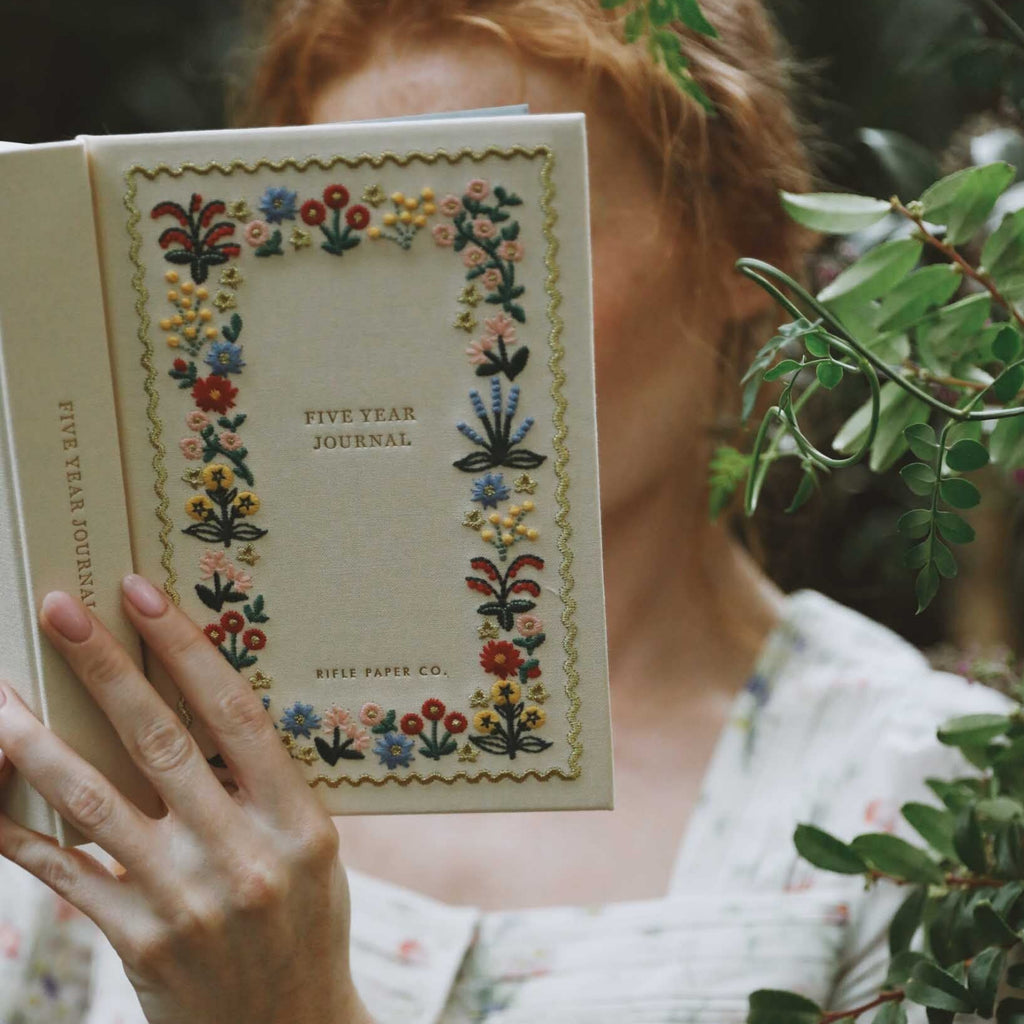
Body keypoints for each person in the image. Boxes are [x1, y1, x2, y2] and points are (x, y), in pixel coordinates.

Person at [0, 2, 1014, 1023]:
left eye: (498, 218)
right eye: (343, 238)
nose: (410, 328)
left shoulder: (929, 788)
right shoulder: (134, 732)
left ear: (745, 247)